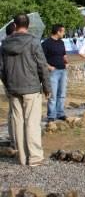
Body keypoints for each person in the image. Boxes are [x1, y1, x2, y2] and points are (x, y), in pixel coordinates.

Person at [0, 14, 50, 166]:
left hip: (13, 88)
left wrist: (8, 86)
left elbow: (1, 69)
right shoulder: (33, 42)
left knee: (18, 124)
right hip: (31, 88)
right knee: (32, 123)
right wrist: (47, 86)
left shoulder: (4, 44)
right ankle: (34, 157)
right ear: (28, 25)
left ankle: (22, 158)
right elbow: (42, 65)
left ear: (14, 25)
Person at [42, 24, 68, 123]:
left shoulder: (61, 42)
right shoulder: (46, 43)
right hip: (53, 72)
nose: (64, 33)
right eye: (63, 31)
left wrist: (66, 62)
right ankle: (51, 115)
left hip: (63, 71)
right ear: (58, 32)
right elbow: (41, 58)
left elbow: (64, 54)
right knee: (52, 95)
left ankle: (60, 113)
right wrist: (49, 67)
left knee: (62, 94)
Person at [3, 22, 16, 151]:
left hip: (11, 83)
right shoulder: (7, 46)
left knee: (13, 112)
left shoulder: (4, 45)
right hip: (12, 83)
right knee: (14, 112)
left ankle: (14, 139)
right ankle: (14, 139)